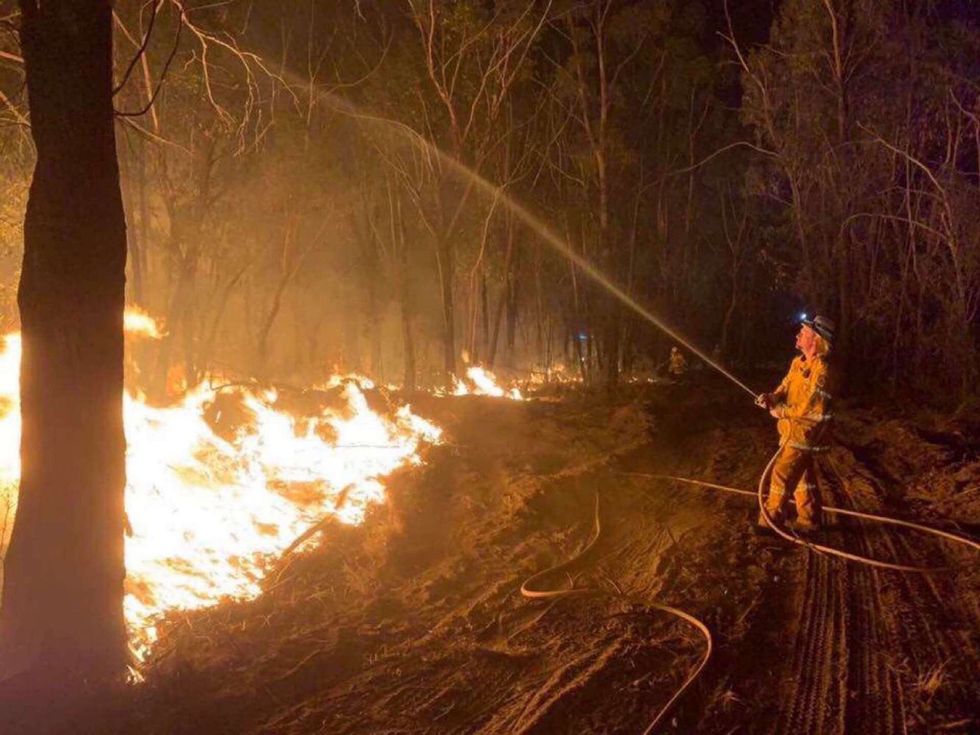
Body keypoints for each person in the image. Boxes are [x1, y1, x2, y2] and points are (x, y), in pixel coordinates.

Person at [755, 314, 837, 534]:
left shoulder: (822, 372)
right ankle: (809, 520)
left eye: (804, 333)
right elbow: (785, 386)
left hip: (807, 432)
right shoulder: (797, 363)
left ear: (816, 341)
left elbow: (809, 408)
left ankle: (770, 522)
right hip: (793, 430)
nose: (798, 334)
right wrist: (772, 397)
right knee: (803, 476)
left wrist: (781, 412)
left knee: (782, 473)